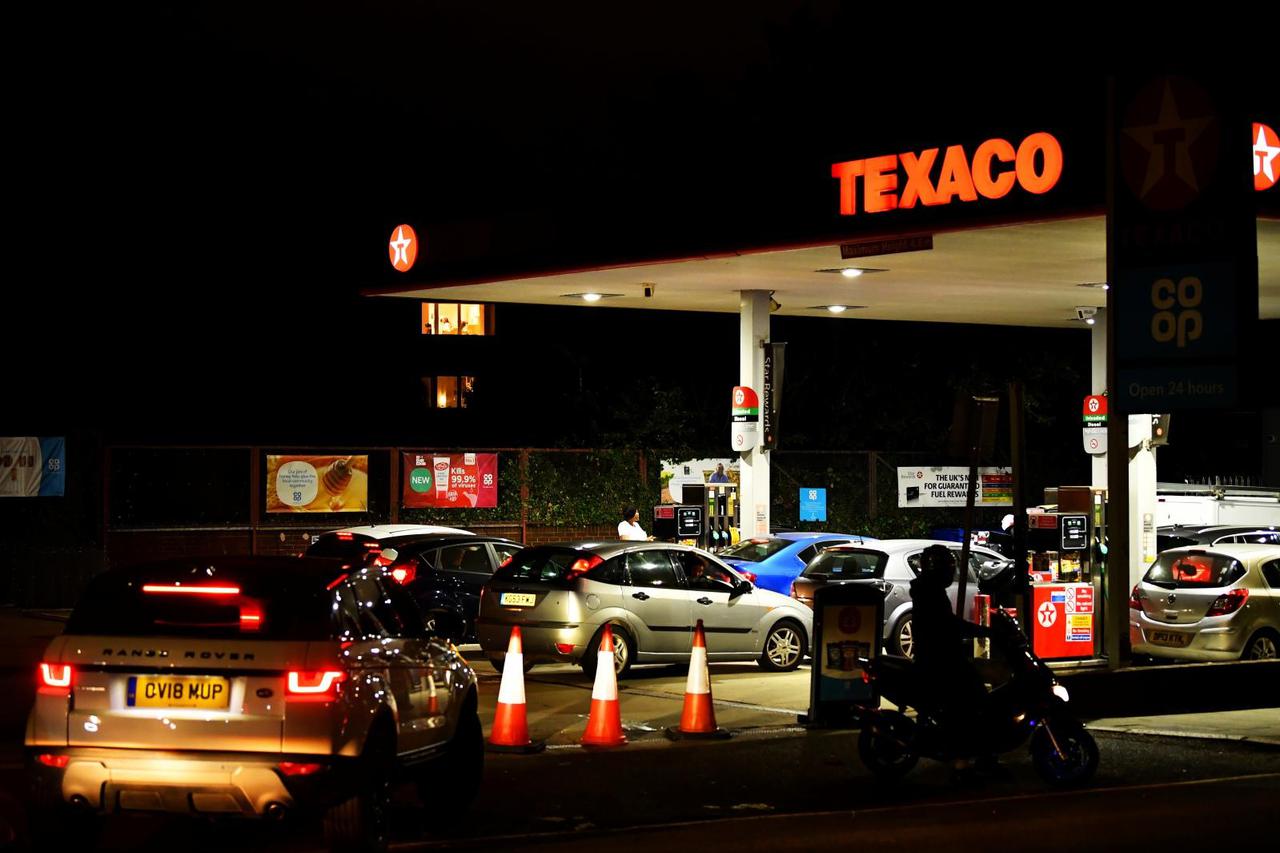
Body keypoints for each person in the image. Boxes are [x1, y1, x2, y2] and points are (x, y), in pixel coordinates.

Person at [909, 544, 994, 772]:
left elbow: (948, 625)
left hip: (939, 654)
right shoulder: (930, 593)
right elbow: (947, 625)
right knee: (970, 697)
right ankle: (962, 756)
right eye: (948, 568)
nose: (951, 573)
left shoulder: (929, 590)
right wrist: (982, 631)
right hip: (938, 659)